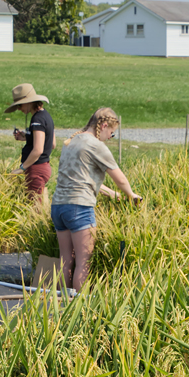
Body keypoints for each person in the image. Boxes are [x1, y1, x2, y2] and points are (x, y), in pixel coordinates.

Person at [51, 108, 141, 292]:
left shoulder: (72, 140)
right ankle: (79, 309)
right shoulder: (95, 145)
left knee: (65, 260)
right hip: (79, 208)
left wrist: (112, 194)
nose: (110, 137)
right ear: (104, 125)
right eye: (111, 133)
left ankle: (60, 306)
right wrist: (131, 195)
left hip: (58, 206)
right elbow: (120, 179)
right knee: (84, 262)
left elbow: (82, 178)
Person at [5, 83, 56, 199]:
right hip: (44, 167)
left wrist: (21, 168)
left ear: (29, 102)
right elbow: (52, 144)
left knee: (34, 208)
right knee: (39, 203)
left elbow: (38, 150)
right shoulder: (46, 116)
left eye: (20, 105)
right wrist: (27, 137)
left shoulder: (37, 119)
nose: (19, 109)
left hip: (36, 170)